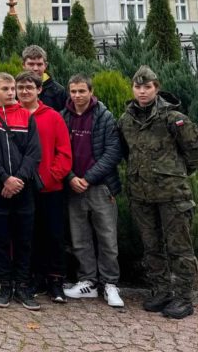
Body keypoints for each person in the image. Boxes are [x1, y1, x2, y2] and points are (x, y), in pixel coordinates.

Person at [118, 65, 198, 319]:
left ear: (157, 88)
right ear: (132, 89)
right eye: (138, 87)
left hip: (173, 194)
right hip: (141, 194)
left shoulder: (174, 119)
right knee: (151, 246)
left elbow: (195, 153)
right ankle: (162, 291)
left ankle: (183, 298)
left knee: (179, 248)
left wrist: (174, 173)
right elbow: (126, 152)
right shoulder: (126, 121)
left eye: (147, 87)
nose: (142, 92)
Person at [0, 72, 42, 310]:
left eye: (12, 88)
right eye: (5, 89)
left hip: (23, 187)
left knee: (24, 239)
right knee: (0, 238)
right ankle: (5, 286)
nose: (11, 92)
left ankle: (22, 287)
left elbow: (34, 153)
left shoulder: (26, 116)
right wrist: (4, 178)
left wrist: (17, 180)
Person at [61, 74, 124, 308]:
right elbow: (58, 151)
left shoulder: (105, 117)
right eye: (73, 91)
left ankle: (110, 284)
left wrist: (87, 178)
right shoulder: (63, 116)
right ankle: (87, 281)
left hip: (100, 186)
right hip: (73, 186)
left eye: (81, 91)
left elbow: (112, 152)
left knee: (107, 238)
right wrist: (70, 177)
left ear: (91, 91)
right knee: (80, 238)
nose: (77, 96)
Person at [14, 71, 72, 304]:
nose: (25, 91)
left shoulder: (53, 117)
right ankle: (34, 278)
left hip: (50, 188)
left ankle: (55, 280)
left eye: (30, 87)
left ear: (39, 90)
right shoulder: (10, 116)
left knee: (54, 236)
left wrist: (50, 178)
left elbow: (64, 153)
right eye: (21, 87)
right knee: (28, 236)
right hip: (21, 188)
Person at [20, 45, 68, 112]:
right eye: (31, 64)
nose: (35, 68)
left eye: (39, 64)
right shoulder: (14, 90)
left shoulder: (59, 92)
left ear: (45, 65)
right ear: (23, 65)